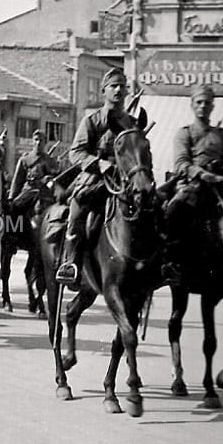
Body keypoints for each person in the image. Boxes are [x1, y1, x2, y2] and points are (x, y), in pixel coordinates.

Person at [55, 68, 139, 285]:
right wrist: (99, 163)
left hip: (125, 183)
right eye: (114, 85)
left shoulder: (131, 123)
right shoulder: (91, 121)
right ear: (104, 91)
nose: (119, 89)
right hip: (95, 181)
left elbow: (138, 152)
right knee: (77, 212)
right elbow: (76, 152)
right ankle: (71, 263)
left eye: (122, 85)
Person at [161, 85, 223, 284]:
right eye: (199, 102)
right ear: (192, 105)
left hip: (220, 186)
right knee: (173, 211)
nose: (203, 106)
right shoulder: (185, 133)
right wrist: (202, 174)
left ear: (212, 106)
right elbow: (181, 163)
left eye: (206, 103)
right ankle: (170, 261)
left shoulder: (221, 134)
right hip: (193, 186)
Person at [9, 129, 59, 214]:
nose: (38, 142)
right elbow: (17, 181)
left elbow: (57, 178)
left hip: (45, 194)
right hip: (29, 192)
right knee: (15, 210)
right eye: (36, 140)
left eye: (41, 140)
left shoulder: (50, 161)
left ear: (45, 142)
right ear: (32, 142)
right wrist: (11, 197)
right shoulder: (25, 159)